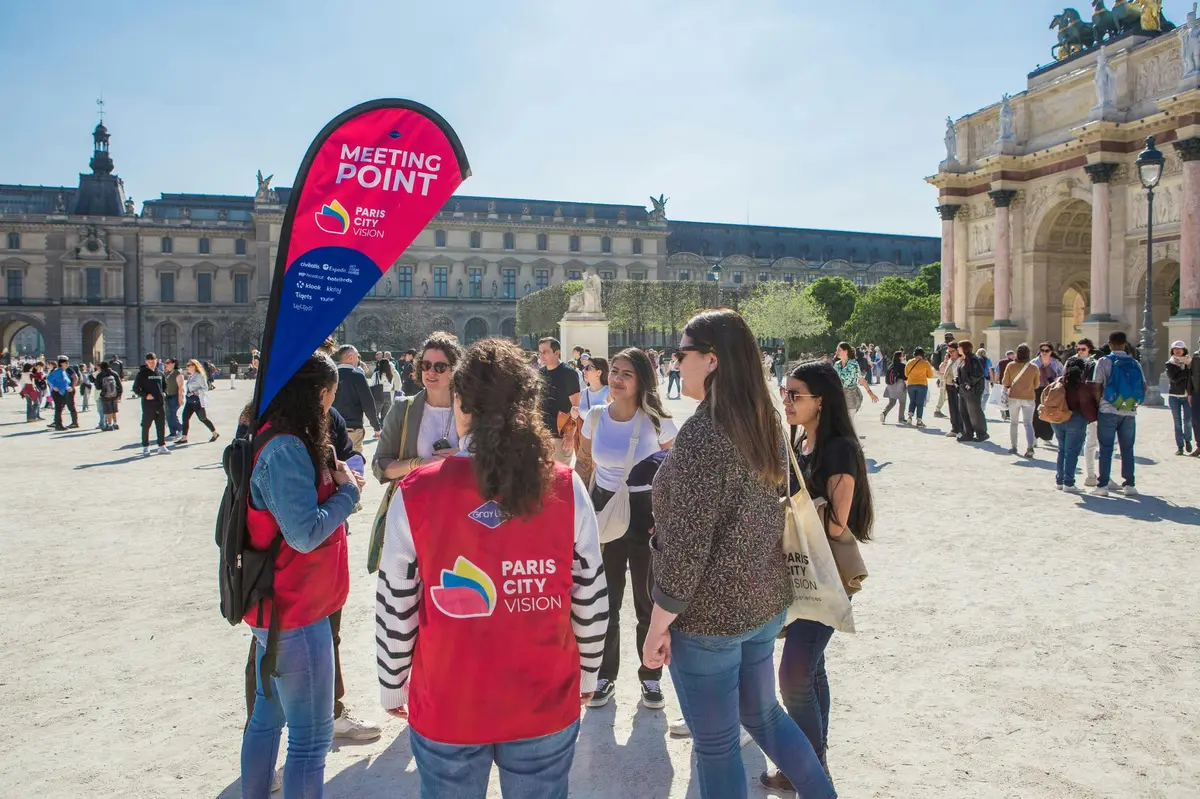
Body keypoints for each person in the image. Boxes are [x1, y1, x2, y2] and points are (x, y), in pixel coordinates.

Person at [376, 337, 606, 798]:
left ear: (461, 404)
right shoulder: (564, 486)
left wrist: (393, 682)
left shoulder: (418, 491)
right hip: (543, 693)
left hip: (449, 695)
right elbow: (589, 590)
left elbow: (396, 599)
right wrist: (588, 674)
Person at [642, 309, 836, 799]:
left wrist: (658, 624)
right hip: (761, 601)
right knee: (765, 716)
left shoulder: (704, 436)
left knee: (717, 744)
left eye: (681, 352)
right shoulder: (763, 419)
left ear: (711, 360)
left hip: (709, 618)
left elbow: (686, 551)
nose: (674, 361)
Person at [240, 354, 365, 798]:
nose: (332, 406)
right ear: (316, 394)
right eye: (330, 395)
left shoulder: (271, 435)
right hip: (296, 610)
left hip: (277, 608)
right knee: (311, 743)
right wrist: (348, 493)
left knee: (266, 720)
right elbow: (305, 533)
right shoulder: (289, 448)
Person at [766, 360, 874, 793]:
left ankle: (811, 774)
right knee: (812, 672)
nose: (787, 401)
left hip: (824, 573)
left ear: (821, 401)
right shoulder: (800, 442)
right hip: (801, 572)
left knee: (793, 676)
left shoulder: (839, 449)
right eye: (786, 392)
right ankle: (812, 762)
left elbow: (835, 524)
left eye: (796, 395)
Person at [575, 348, 676, 711]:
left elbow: (676, 473)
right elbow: (584, 463)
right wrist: (578, 510)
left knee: (647, 601)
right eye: (614, 371)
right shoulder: (595, 417)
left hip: (645, 511)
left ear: (642, 381)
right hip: (603, 510)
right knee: (606, 600)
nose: (616, 378)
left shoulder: (657, 421)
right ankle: (606, 675)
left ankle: (650, 678)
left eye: (626, 374)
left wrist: (665, 516)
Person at [372, 333, 463, 484]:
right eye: (425, 365)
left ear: (455, 369)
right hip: (416, 502)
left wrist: (464, 456)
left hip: (460, 503)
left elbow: (493, 459)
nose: (431, 372)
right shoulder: (402, 408)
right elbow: (379, 465)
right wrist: (418, 464)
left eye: (440, 367)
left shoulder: (471, 410)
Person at [1090, 331, 1142, 497]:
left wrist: (1098, 404)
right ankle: (1129, 484)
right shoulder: (1135, 363)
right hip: (1129, 410)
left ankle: (1103, 485)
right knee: (1127, 448)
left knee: (1106, 448)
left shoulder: (1104, 361)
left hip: (1108, 409)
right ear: (1125, 344)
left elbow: (1097, 385)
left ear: (1110, 344)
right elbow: (1144, 387)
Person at [1050, 356, 1098, 493]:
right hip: (1075, 420)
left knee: (1062, 449)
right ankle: (1069, 483)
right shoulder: (1081, 386)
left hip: (1058, 419)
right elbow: (1086, 405)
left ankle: (1059, 480)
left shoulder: (1058, 381)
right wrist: (1093, 418)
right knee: (1072, 452)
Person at [538, 337, 581, 464]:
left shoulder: (568, 373)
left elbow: (576, 407)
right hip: (543, 435)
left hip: (560, 436)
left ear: (557, 353)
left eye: (545, 351)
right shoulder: (540, 373)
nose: (541, 355)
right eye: (540, 352)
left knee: (560, 478)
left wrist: (570, 435)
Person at [331, 345, 380, 453]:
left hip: (332, 429)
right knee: (354, 465)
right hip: (352, 429)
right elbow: (368, 404)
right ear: (350, 357)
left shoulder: (330, 376)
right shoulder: (357, 376)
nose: (359, 359)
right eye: (357, 356)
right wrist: (376, 426)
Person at [1001, 344, 1039, 458]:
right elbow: (1036, 385)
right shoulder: (1034, 367)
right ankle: (1030, 447)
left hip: (1014, 397)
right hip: (1029, 397)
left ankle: (1013, 446)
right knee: (1028, 423)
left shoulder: (1010, 366)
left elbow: (1005, 382)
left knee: (1014, 423)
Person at [132, 352, 170, 456]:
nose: (151, 363)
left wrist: (164, 393)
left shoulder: (160, 373)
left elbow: (165, 386)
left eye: (153, 361)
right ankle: (145, 447)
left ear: (156, 361)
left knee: (161, 426)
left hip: (160, 404)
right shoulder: (142, 374)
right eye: (149, 361)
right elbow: (135, 388)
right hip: (148, 405)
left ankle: (161, 446)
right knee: (146, 426)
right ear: (146, 362)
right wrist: (145, 395)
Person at [1075, 339, 1101, 484]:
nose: (1079, 351)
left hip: (1090, 408)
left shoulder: (1095, 364)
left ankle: (1094, 476)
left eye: (1083, 349)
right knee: (1083, 442)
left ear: (1089, 350)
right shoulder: (1072, 362)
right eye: (1078, 349)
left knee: (1092, 441)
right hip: (1077, 407)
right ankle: (1090, 475)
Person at [177, 359, 218, 444]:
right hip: (189, 401)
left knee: (203, 418)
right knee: (185, 417)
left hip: (197, 401)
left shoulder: (199, 376)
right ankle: (184, 437)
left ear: (194, 366)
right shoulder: (191, 376)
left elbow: (205, 388)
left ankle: (215, 433)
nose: (187, 367)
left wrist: (194, 392)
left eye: (189, 365)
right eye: (187, 365)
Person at [954, 341, 989, 443]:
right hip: (963, 390)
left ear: (964, 348)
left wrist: (969, 383)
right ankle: (968, 433)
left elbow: (978, 374)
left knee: (974, 412)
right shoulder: (963, 360)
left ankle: (982, 433)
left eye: (959, 347)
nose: (958, 349)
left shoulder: (974, 359)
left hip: (972, 390)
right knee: (963, 411)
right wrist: (957, 380)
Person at [833, 341, 876, 421]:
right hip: (840, 397)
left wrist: (871, 393)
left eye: (839, 350)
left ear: (845, 352)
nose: (836, 352)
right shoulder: (837, 364)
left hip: (851, 397)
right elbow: (833, 380)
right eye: (837, 350)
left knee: (847, 422)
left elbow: (861, 380)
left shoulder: (853, 364)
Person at [1165, 341, 1193, 456]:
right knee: (1177, 422)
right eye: (1175, 348)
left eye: (1180, 348)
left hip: (1187, 396)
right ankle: (1180, 447)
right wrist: (1186, 372)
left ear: (1184, 350)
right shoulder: (1170, 363)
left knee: (1188, 421)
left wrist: (1186, 371)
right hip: (1174, 396)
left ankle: (1188, 440)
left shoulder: (1190, 362)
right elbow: (1174, 379)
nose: (1177, 350)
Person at [1033, 342, 1063, 445]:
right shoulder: (1034, 362)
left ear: (1051, 351)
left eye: (1047, 351)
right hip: (1037, 390)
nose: (1044, 353)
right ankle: (1034, 437)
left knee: (1050, 412)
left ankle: (1046, 437)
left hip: (1051, 390)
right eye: (1042, 350)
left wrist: (1056, 380)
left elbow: (1062, 375)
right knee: (1036, 413)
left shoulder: (1056, 363)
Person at [903, 347, 935, 427]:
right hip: (922, 385)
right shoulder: (925, 363)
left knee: (912, 401)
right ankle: (919, 421)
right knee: (920, 403)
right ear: (922, 354)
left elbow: (906, 374)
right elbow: (930, 375)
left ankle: (909, 417)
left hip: (910, 385)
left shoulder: (909, 362)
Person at [46, 356, 79, 431]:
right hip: (57, 392)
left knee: (60, 408)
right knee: (58, 408)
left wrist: (69, 388)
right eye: (66, 363)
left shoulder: (64, 371)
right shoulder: (58, 370)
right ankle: (58, 425)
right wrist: (53, 386)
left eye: (68, 363)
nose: (67, 364)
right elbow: (49, 378)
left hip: (63, 392)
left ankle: (59, 424)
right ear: (61, 363)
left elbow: (65, 382)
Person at [941, 342, 963, 438]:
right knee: (952, 408)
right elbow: (942, 370)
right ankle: (954, 427)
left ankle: (961, 429)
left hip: (957, 387)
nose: (950, 353)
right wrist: (945, 361)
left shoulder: (961, 360)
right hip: (949, 385)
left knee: (959, 409)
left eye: (952, 351)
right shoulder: (950, 360)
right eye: (948, 351)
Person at [880, 350, 907, 424]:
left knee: (892, 402)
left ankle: (884, 413)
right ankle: (901, 418)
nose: (903, 357)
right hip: (900, 385)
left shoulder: (891, 365)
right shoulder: (902, 365)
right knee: (902, 402)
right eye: (902, 356)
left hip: (890, 385)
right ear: (899, 357)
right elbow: (904, 377)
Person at [95, 360, 122, 431]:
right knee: (114, 410)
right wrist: (119, 395)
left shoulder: (100, 375)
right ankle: (115, 424)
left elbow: (98, 387)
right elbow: (120, 385)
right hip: (115, 394)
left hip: (105, 395)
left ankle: (109, 425)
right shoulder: (114, 373)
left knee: (108, 411)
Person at [163, 358, 185, 440]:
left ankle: (181, 429)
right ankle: (172, 432)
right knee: (168, 415)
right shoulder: (166, 372)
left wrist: (180, 398)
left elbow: (180, 387)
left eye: (168, 363)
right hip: (167, 396)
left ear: (173, 364)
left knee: (172, 413)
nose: (166, 364)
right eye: (166, 363)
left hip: (175, 396)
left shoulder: (177, 373)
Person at [932, 332, 953, 417]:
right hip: (945, 372)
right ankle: (937, 410)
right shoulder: (945, 347)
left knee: (944, 391)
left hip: (941, 372)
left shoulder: (940, 345)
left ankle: (938, 409)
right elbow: (946, 360)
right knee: (943, 391)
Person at [372, 357, 396, 426]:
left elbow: (372, 384)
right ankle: (384, 430)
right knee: (385, 415)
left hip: (378, 395)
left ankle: (377, 429)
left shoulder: (376, 374)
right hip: (388, 395)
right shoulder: (390, 375)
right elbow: (391, 386)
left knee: (375, 414)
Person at [994, 350, 1015, 421]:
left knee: (1003, 398)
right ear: (1011, 355)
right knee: (1010, 398)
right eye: (1013, 355)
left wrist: (996, 381)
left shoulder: (1000, 362)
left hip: (1002, 382)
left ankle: (1004, 412)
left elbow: (997, 372)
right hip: (1012, 383)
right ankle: (1008, 413)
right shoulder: (1014, 363)